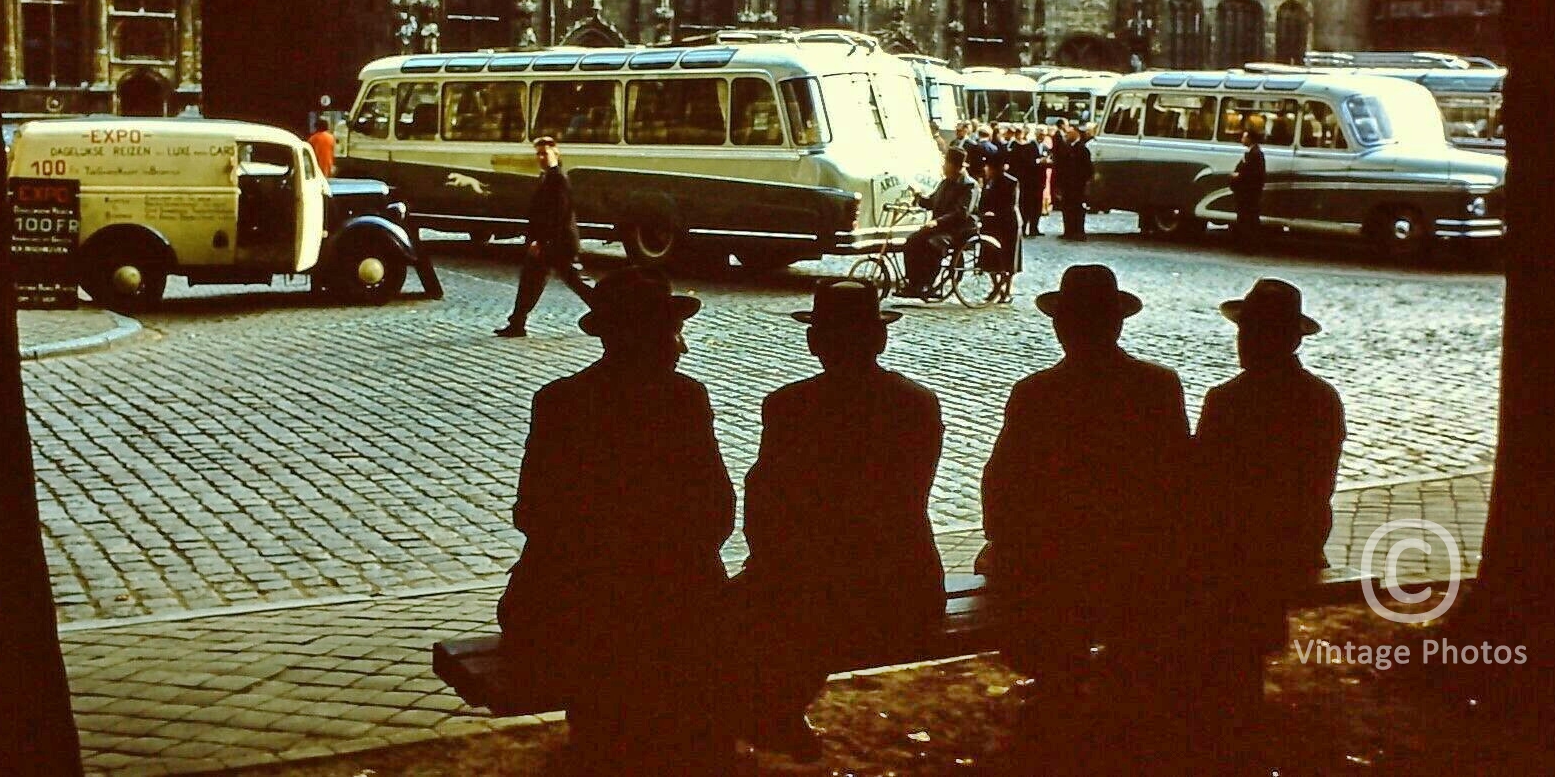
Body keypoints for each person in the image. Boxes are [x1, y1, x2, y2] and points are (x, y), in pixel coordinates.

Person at [496, 268, 735, 770]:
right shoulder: (683, 400)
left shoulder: (559, 401)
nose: (680, 346)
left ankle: (601, 740)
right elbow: (718, 513)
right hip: (673, 603)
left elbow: (531, 511)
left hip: (566, 606)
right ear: (655, 338)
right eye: (672, 332)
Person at [724, 281, 945, 759]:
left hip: (816, 587)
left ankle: (765, 713)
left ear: (814, 342)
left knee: (737, 611)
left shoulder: (789, 406)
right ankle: (777, 711)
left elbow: (764, 504)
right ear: (880, 339)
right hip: (907, 584)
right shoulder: (917, 403)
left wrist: (770, 565)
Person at [980, 265, 1191, 696]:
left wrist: (1008, 542)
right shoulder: (1158, 386)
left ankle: (1059, 676)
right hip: (1139, 559)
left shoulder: (1036, 393)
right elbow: (1179, 478)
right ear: (1117, 323)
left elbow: (1002, 486)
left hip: (1056, 564)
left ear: (1060, 326)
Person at [1193, 279, 1345, 720]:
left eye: (1251, 332)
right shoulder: (1321, 397)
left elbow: (1206, 485)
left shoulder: (1228, 400)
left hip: (1241, 548)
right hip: (1299, 538)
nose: (1244, 341)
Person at [495, 137, 593, 337]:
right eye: (538, 154)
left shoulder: (558, 179)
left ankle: (611, 312)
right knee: (533, 282)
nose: (540, 158)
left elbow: (558, 215)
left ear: (556, 154)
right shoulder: (548, 177)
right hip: (551, 243)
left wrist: (541, 242)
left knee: (575, 283)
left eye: (544, 153)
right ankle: (517, 323)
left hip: (557, 243)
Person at [899, 147, 978, 298]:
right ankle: (913, 282)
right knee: (912, 241)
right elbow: (932, 202)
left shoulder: (969, 186)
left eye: (946, 164)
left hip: (958, 230)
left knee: (932, 245)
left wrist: (937, 222)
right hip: (940, 227)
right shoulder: (945, 183)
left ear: (955, 166)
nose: (943, 167)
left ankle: (927, 284)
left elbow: (961, 212)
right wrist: (918, 196)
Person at [977, 149, 1022, 303]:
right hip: (991, 224)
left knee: (1008, 261)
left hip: (1008, 224)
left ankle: (1006, 291)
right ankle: (997, 288)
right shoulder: (989, 182)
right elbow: (982, 202)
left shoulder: (1011, 182)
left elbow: (1009, 204)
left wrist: (994, 213)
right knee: (989, 260)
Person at [1230, 115, 1267, 250]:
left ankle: (1247, 245)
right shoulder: (1253, 152)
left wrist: (1238, 176)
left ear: (1250, 139)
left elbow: (1253, 174)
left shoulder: (1255, 154)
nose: (1242, 139)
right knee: (1248, 219)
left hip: (1249, 194)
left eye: (1244, 137)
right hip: (1249, 193)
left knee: (1247, 219)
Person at [1059, 121, 1093, 241]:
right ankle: (1068, 230)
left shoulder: (1082, 149)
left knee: (1078, 209)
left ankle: (1078, 231)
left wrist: (1083, 182)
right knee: (1067, 208)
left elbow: (1088, 169)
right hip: (1067, 185)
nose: (1067, 135)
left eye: (1069, 133)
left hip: (1078, 186)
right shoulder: (1067, 148)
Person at [1007, 125, 1044, 237]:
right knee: (1025, 205)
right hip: (1025, 180)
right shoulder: (1020, 146)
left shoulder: (1024, 146)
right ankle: (1025, 227)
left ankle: (1029, 227)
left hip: (1028, 180)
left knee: (1028, 205)